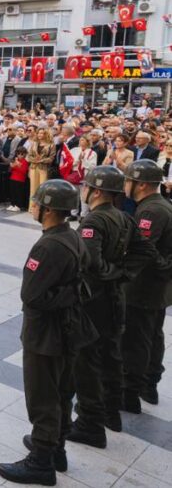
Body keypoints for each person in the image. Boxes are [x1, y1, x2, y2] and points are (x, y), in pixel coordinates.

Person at [0, 180, 91, 486]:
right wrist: (70, 294)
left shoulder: (48, 245)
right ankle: (56, 449)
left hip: (47, 335)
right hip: (68, 329)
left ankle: (40, 461)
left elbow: (32, 296)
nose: (33, 206)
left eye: (36, 202)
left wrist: (66, 295)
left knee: (43, 397)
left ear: (48, 209)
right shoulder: (72, 236)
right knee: (62, 392)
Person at [68, 166, 152, 448]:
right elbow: (144, 252)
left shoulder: (93, 222)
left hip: (94, 301)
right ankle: (110, 413)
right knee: (110, 356)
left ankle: (90, 422)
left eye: (87, 186)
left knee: (88, 361)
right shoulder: (125, 218)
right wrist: (124, 274)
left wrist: (112, 272)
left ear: (97, 191)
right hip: (115, 298)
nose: (84, 190)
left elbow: (90, 263)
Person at [121, 160, 172, 412]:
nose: (125, 185)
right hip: (155, 287)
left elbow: (143, 251)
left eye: (128, 180)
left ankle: (135, 387)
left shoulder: (151, 211)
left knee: (138, 338)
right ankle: (148, 383)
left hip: (144, 287)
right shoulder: (158, 205)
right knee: (151, 334)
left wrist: (118, 276)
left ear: (141, 184)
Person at [8, 147, 31, 213]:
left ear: (25, 154)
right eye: (18, 154)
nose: (20, 155)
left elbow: (24, 171)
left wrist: (18, 165)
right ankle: (12, 204)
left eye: (22, 154)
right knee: (12, 192)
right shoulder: (15, 160)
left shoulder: (25, 162)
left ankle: (18, 205)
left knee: (18, 193)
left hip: (20, 179)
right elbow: (11, 169)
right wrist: (14, 165)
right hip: (13, 178)